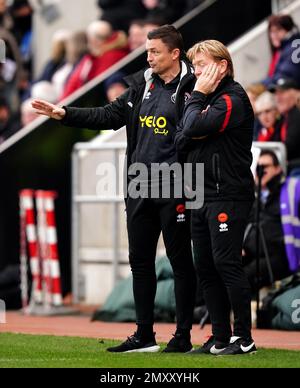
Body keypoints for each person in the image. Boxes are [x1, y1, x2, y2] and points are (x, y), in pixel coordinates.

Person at [32, 25, 197, 354]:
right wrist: (65, 114)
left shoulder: (195, 86)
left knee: (181, 263)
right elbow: (109, 115)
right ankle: (144, 334)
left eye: (154, 52)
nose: (147, 57)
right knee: (139, 261)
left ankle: (182, 335)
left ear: (175, 54)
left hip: (180, 183)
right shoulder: (142, 84)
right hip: (138, 182)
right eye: (147, 51)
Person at [175, 40, 257, 356]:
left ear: (221, 66)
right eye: (194, 66)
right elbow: (181, 137)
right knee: (206, 267)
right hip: (200, 193)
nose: (196, 72)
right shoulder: (203, 99)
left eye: (201, 65)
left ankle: (244, 338)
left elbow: (191, 125)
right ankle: (219, 337)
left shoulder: (233, 98)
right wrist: (194, 121)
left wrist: (196, 107)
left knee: (226, 263)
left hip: (229, 195)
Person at [243, 150, 292, 292]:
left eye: (265, 167)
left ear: (278, 169)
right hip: (251, 253)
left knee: (243, 276)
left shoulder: (287, 195)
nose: (260, 171)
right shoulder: (254, 199)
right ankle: (200, 309)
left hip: (278, 255)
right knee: (218, 266)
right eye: (258, 167)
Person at [263, 14, 300, 88]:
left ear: (288, 31)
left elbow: (286, 74)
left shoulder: (294, 47)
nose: (274, 35)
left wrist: (262, 85)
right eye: (272, 31)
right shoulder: (280, 51)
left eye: (278, 30)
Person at [269, 77, 300, 164]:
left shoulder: (297, 115)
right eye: (276, 93)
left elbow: (289, 146)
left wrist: (271, 158)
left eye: (282, 93)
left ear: (297, 94)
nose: (278, 98)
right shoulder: (283, 117)